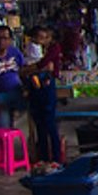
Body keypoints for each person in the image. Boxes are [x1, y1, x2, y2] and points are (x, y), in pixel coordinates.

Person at [24, 24, 64, 165]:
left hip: (46, 86)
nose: (43, 40)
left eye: (45, 37)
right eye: (40, 37)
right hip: (38, 87)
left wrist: (29, 69)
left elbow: (44, 64)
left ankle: (56, 158)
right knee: (40, 123)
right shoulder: (33, 48)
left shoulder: (53, 49)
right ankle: (43, 157)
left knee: (49, 122)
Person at [0, 24, 27, 130]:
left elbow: (24, 69)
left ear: (10, 40)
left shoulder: (15, 52)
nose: (1, 41)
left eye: (5, 38)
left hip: (17, 93)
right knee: (2, 127)